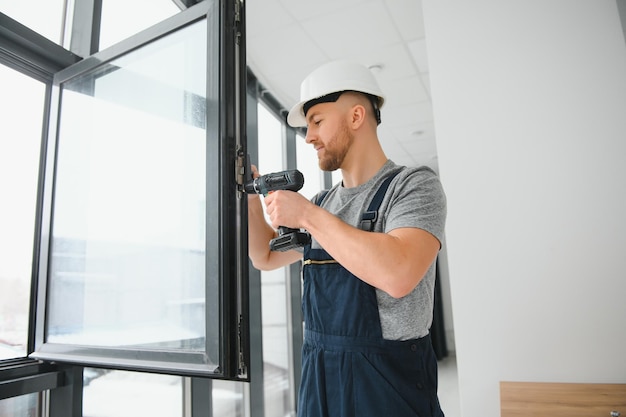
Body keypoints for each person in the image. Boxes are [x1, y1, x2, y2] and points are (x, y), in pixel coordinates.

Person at [247, 60, 447, 417]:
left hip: (387, 390)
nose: (308, 136)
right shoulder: (324, 204)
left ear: (356, 117)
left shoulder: (413, 185)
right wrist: (248, 197)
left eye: (318, 121)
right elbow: (264, 256)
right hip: (319, 382)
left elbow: (399, 273)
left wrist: (307, 215)